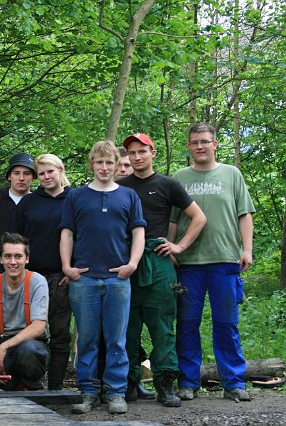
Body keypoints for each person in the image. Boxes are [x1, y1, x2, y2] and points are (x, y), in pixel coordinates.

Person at [170, 122, 255, 402]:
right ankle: (188, 382)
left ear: (215, 144)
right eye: (194, 142)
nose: (199, 146)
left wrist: (247, 250)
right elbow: (173, 219)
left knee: (226, 323)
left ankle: (233, 383)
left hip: (225, 259)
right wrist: (171, 250)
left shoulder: (232, 174)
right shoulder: (179, 177)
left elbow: (244, 214)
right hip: (188, 263)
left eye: (205, 141)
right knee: (187, 323)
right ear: (188, 146)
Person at [120, 133, 206, 407]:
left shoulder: (168, 184)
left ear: (152, 153)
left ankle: (165, 384)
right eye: (132, 153)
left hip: (158, 261)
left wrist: (179, 246)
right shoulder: (120, 187)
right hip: (126, 262)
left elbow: (199, 217)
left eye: (142, 151)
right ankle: (128, 383)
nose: (137, 157)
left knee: (163, 326)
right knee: (127, 327)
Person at [60, 140, 145, 415]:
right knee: (86, 339)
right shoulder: (76, 196)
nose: (105, 167)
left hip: (117, 279)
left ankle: (116, 392)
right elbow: (67, 233)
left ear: (117, 165)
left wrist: (132, 264)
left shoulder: (129, 196)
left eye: (109, 162)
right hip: (84, 279)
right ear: (92, 164)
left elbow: (138, 233)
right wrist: (67, 266)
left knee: (116, 339)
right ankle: (88, 392)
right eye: (100, 162)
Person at [10, 153, 71, 390]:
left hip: (61, 278)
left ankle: (55, 388)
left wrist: (72, 268)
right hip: (31, 278)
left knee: (60, 333)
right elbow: (16, 240)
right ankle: (31, 384)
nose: (46, 177)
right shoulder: (29, 202)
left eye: (50, 171)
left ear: (60, 171)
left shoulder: (74, 199)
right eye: (42, 173)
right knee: (30, 332)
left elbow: (83, 236)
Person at [0, 232, 49, 391]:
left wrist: (4, 347)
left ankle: (31, 387)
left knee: (28, 350)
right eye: (8, 256)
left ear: (27, 259)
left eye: (18, 256)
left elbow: (38, 327)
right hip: (2, 345)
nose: (13, 262)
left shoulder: (37, 282)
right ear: (1, 259)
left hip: (31, 344)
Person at [0, 153, 36, 275]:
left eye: (27, 173)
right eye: (16, 173)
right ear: (9, 176)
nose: (21, 178)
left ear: (33, 177)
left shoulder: (38, 202)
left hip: (29, 271)